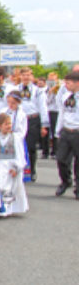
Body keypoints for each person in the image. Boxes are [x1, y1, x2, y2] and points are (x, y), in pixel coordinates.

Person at [0, 112, 28, 217]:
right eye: (6, 124)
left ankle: (9, 208)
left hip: (10, 165)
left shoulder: (15, 138)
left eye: (10, 124)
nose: (9, 126)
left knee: (9, 187)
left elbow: (20, 154)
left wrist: (17, 168)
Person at [54, 71, 79, 199]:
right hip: (66, 130)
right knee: (61, 159)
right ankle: (66, 180)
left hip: (77, 130)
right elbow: (62, 113)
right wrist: (58, 130)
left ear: (77, 83)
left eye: (68, 83)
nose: (66, 85)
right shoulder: (66, 96)